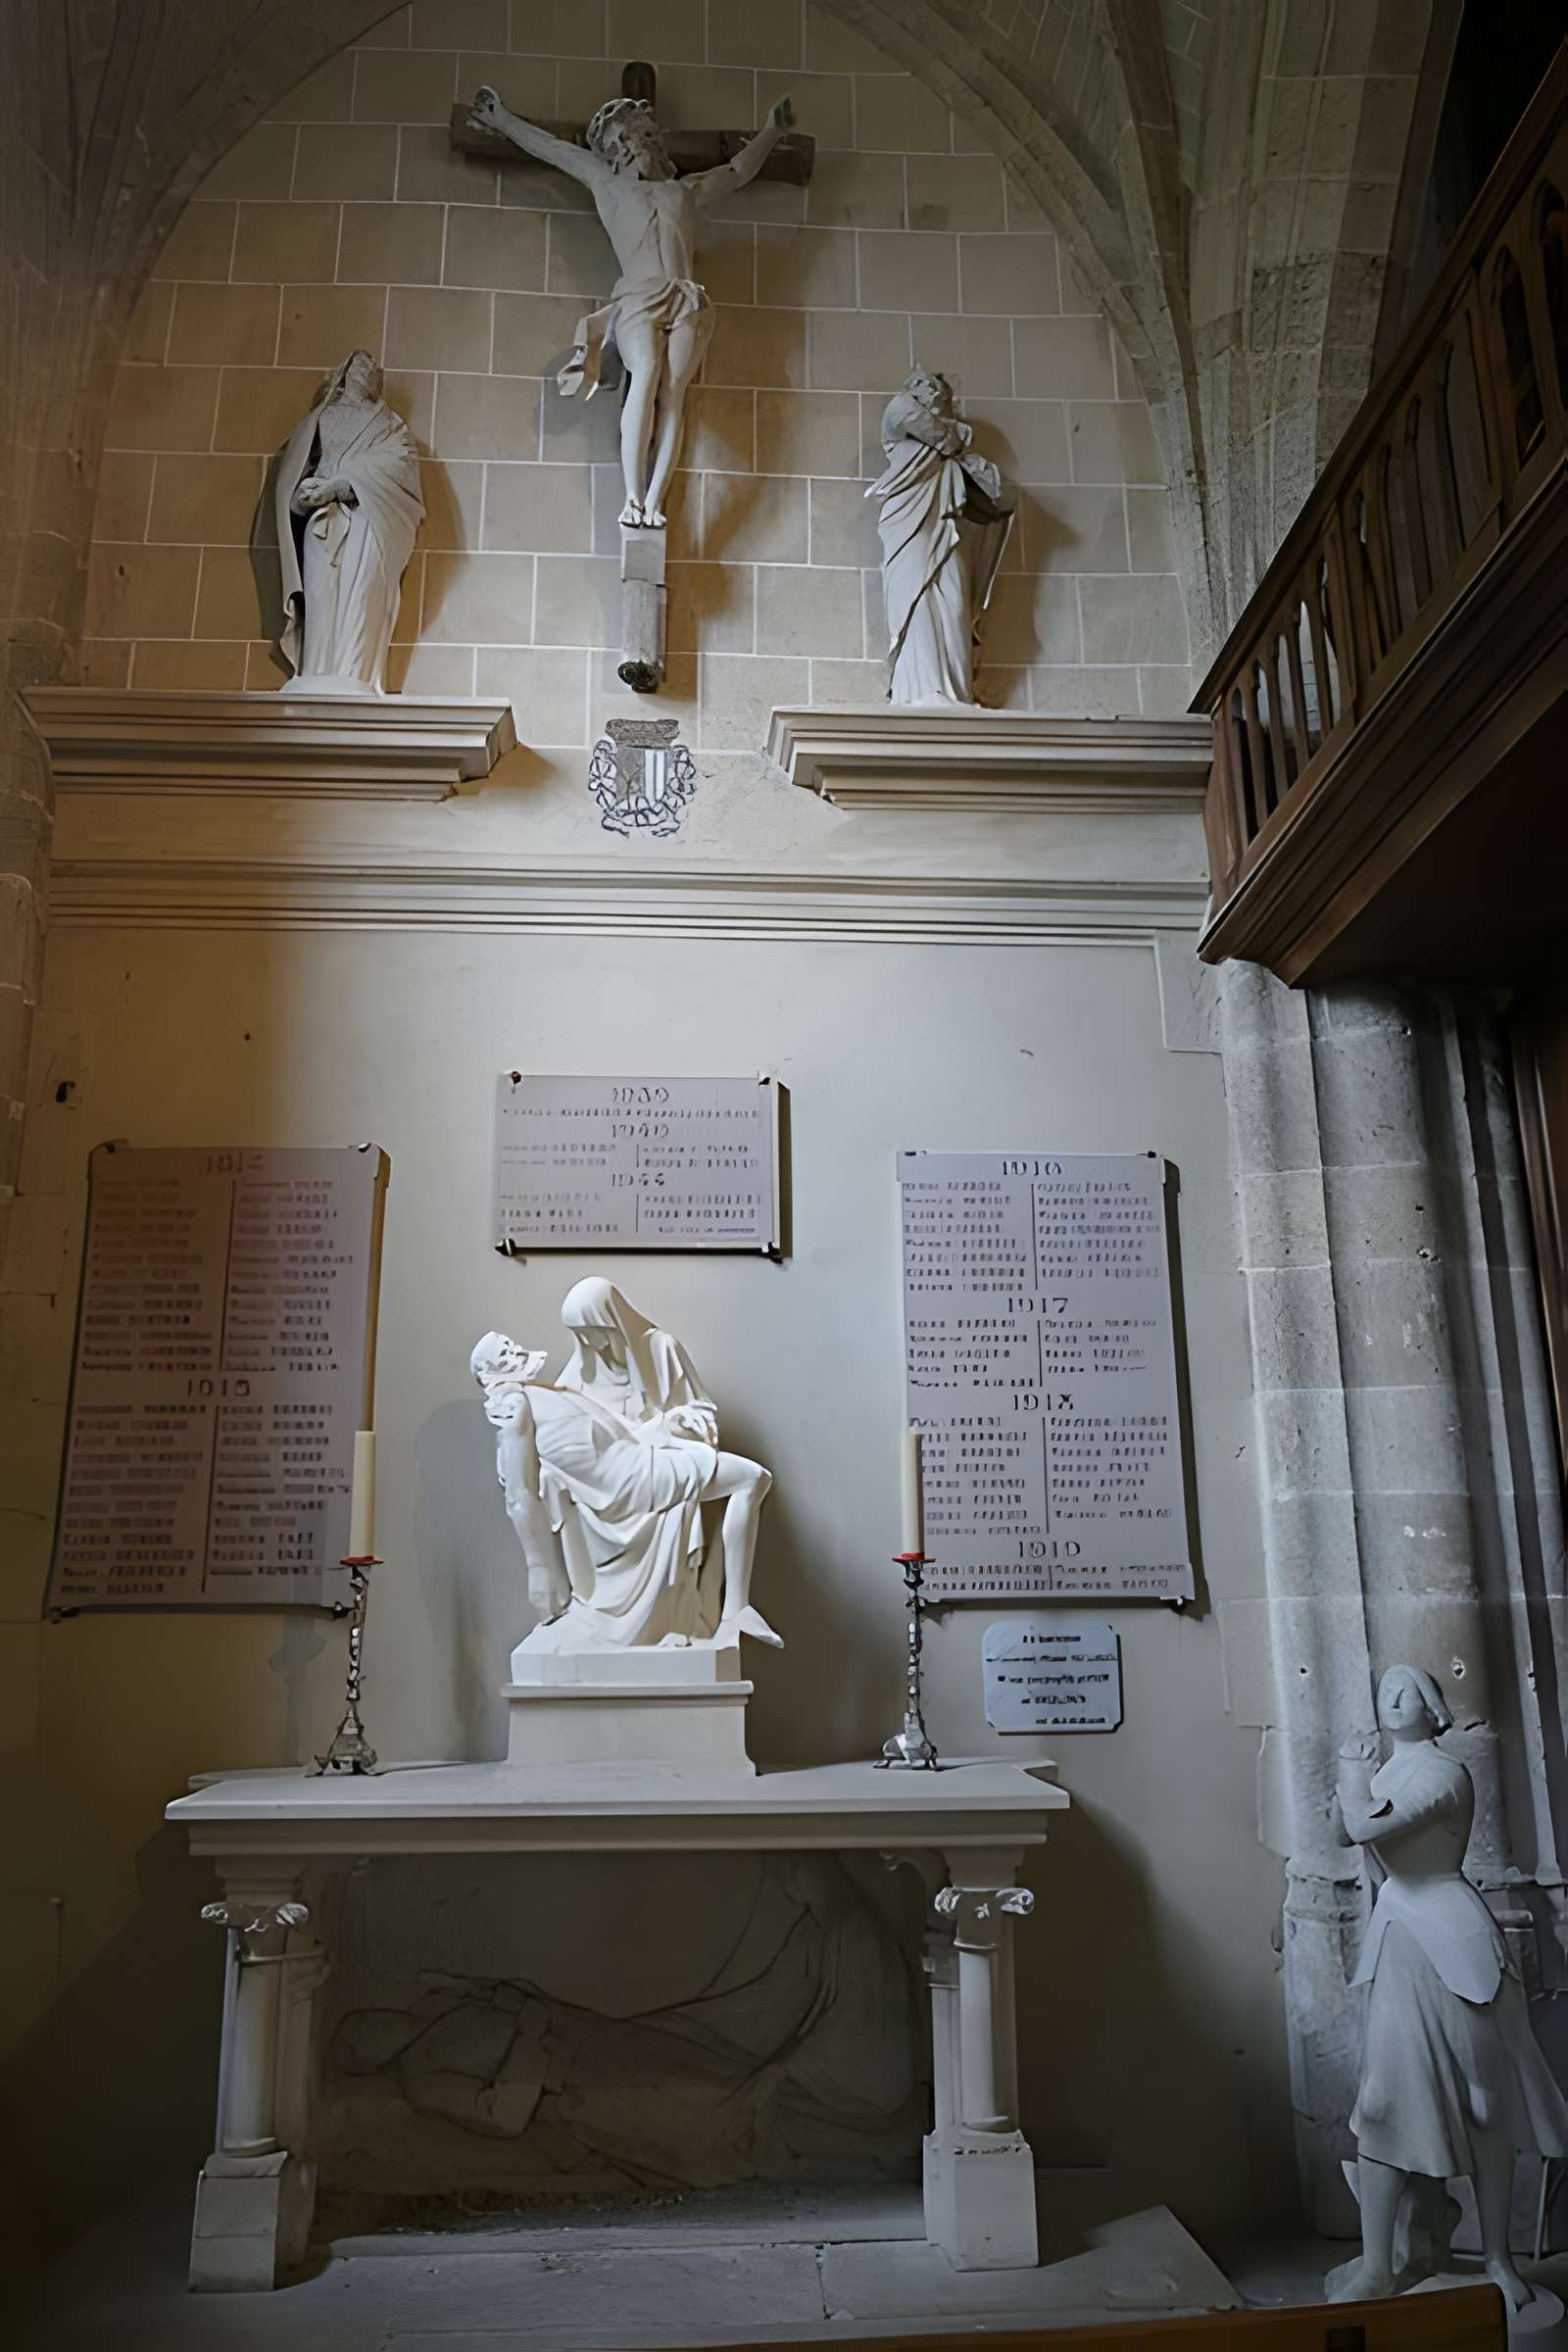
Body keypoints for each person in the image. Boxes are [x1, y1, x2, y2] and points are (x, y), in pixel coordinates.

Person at [1331, 1664, 1568, 2311]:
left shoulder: (1442, 1772)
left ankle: (1499, 2259)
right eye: (1387, 1687)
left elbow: (1363, 1828)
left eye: (1411, 1688)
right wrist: (1352, 1787)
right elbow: (1341, 1829)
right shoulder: (1384, 1773)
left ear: (1434, 1707)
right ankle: (1378, 2264)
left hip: (1455, 1939)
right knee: (1381, 2102)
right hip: (1400, 1936)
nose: (1396, 1695)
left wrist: (1352, 1782)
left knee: (1487, 2106)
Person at [467, 83, 795, 528]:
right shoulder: (606, 182)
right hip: (638, 297)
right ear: (615, 148)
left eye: (643, 134)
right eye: (629, 136)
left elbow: (736, 172)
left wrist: (772, 132)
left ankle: (655, 501)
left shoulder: (685, 190)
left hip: (687, 299)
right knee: (646, 376)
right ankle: (632, 498)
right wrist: (501, 119)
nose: (638, 143)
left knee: (675, 395)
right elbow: (554, 150)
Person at [470, 1280, 779, 1653]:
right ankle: (733, 1610)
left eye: (597, 1334)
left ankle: (718, 1604)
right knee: (749, 1479)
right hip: (625, 1480)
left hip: (640, 1465)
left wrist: (673, 1424)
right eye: (581, 1337)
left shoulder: (659, 1349)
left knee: (743, 1481)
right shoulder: (549, 1391)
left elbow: (613, 1437)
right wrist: (540, 1567)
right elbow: (535, 1480)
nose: (591, 1346)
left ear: (615, 1322)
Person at [274, 349, 423, 694]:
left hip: (366, 517)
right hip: (321, 521)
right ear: (344, 372)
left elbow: (400, 466)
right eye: (360, 364)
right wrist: (302, 497)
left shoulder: (388, 423)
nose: (368, 369)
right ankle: (315, 670)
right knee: (320, 592)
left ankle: (354, 673)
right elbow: (296, 470)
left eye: (373, 367)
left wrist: (344, 485)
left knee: (362, 593)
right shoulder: (319, 419)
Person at [865, 368, 1014, 706]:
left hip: (948, 535)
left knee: (954, 606)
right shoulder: (901, 417)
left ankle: (952, 691)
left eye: (940, 392)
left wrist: (970, 461)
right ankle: (917, 691)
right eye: (925, 386)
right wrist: (959, 440)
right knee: (914, 603)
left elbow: (1003, 498)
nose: (932, 393)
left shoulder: (955, 453)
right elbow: (918, 421)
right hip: (908, 530)